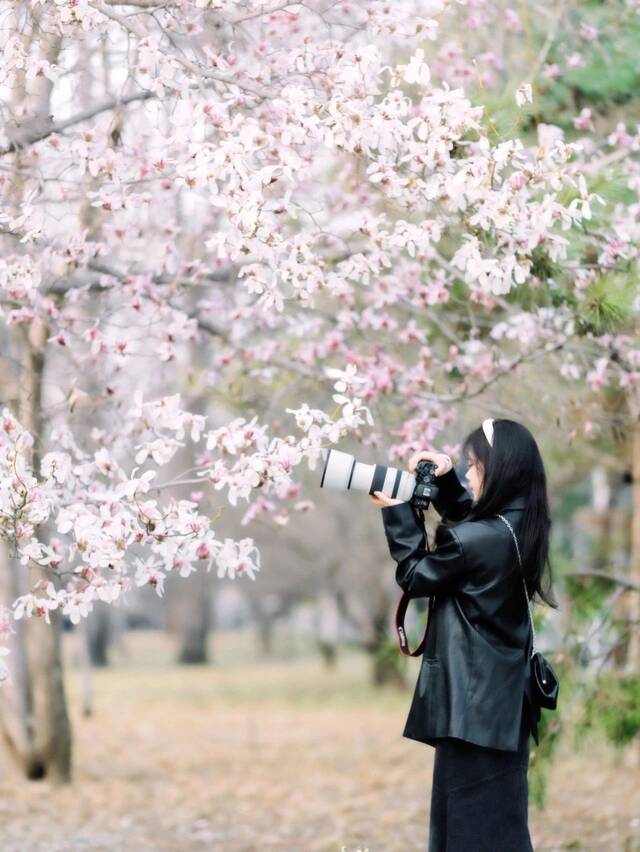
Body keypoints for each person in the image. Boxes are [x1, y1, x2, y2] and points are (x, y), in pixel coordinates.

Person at [370, 417, 558, 852]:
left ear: (502, 468)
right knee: (498, 825)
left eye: (474, 466)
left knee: (470, 833)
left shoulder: (481, 539)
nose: (469, 474)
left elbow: (416, 576)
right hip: (501, 705)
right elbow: (474, 526)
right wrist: (448, 483)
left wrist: (397, 511)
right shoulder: (521, 527)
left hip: (472, 713)